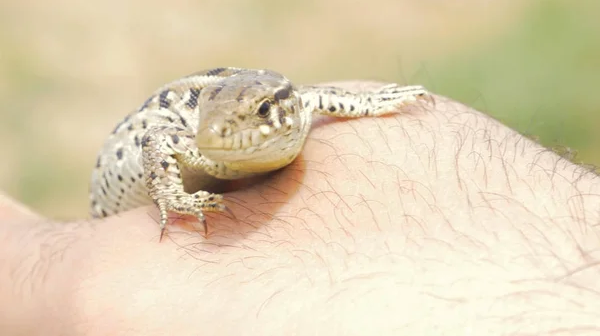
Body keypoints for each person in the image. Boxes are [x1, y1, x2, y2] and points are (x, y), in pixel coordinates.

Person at [1, 82, 599, 335]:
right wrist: (175, 198)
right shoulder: (189, 130)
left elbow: (312, 98)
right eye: (216, 125)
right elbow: (162, 141)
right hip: (118, 198)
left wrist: (370, 105)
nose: (226, 132)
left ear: (283, 112)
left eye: (259, 116)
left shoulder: (292, 105)